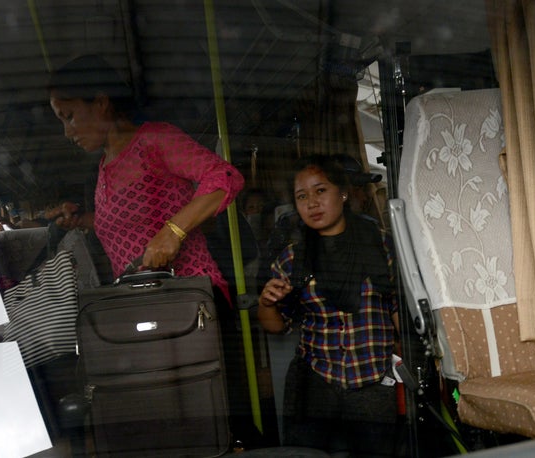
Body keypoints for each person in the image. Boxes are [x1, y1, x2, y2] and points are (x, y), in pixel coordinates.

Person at [46, 54, 244, 303]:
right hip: (145, 307)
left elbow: (225, 176)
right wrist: (82, 220)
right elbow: (135, 224)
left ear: (100, 102)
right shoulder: (104, 165)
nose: (67, 132)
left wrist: (173, 232)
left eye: (69, 116)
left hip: (190, 300)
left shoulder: (154, 140)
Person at [257, 154, 399, 457]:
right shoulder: (293, 258)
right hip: (316, 382)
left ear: (343, 193)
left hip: (373, 380)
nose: (312, 202)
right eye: (302, 196)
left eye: (321, 190)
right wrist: (267, 302)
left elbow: (399, 310)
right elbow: (275, 326)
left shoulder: (382, 245)